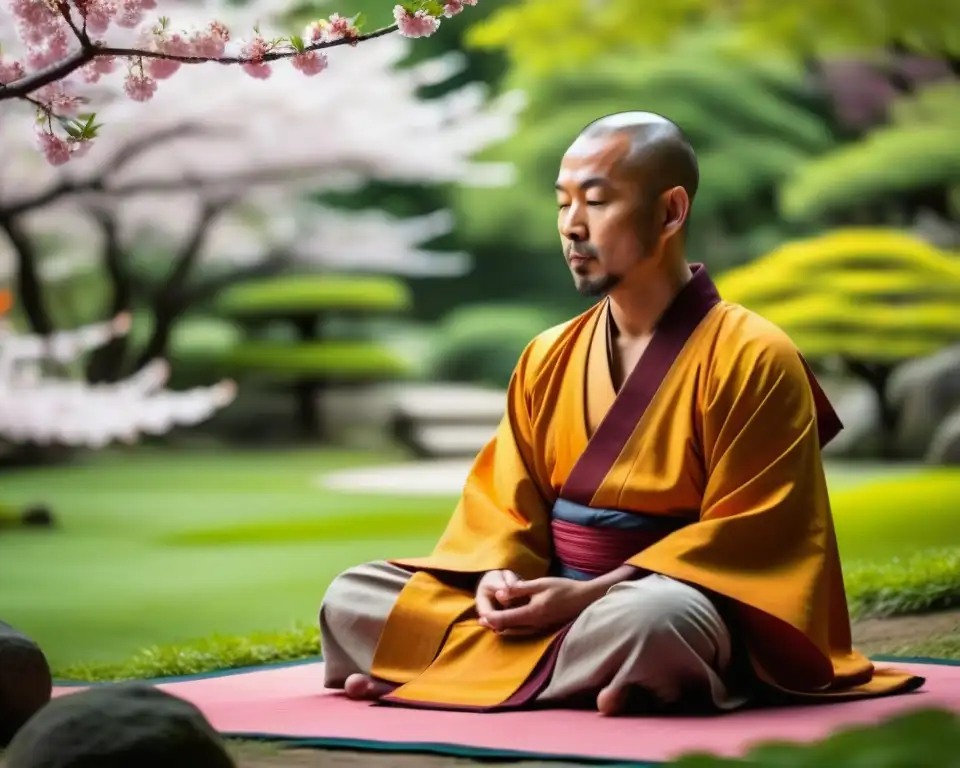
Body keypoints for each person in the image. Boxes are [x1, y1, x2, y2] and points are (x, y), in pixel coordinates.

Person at [318, 111, 925, 715]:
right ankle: (583, 678)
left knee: (653, 625)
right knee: (354, 598)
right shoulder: (547, 355)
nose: (573, 227)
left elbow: (755, 537)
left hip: (668, 597)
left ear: (670, 212)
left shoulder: (754, 354)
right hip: (554, 599)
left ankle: (462, 672)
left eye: (597, 202)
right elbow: (504, 506)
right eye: (562, 205)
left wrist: (590, 598)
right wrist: (497, 580)